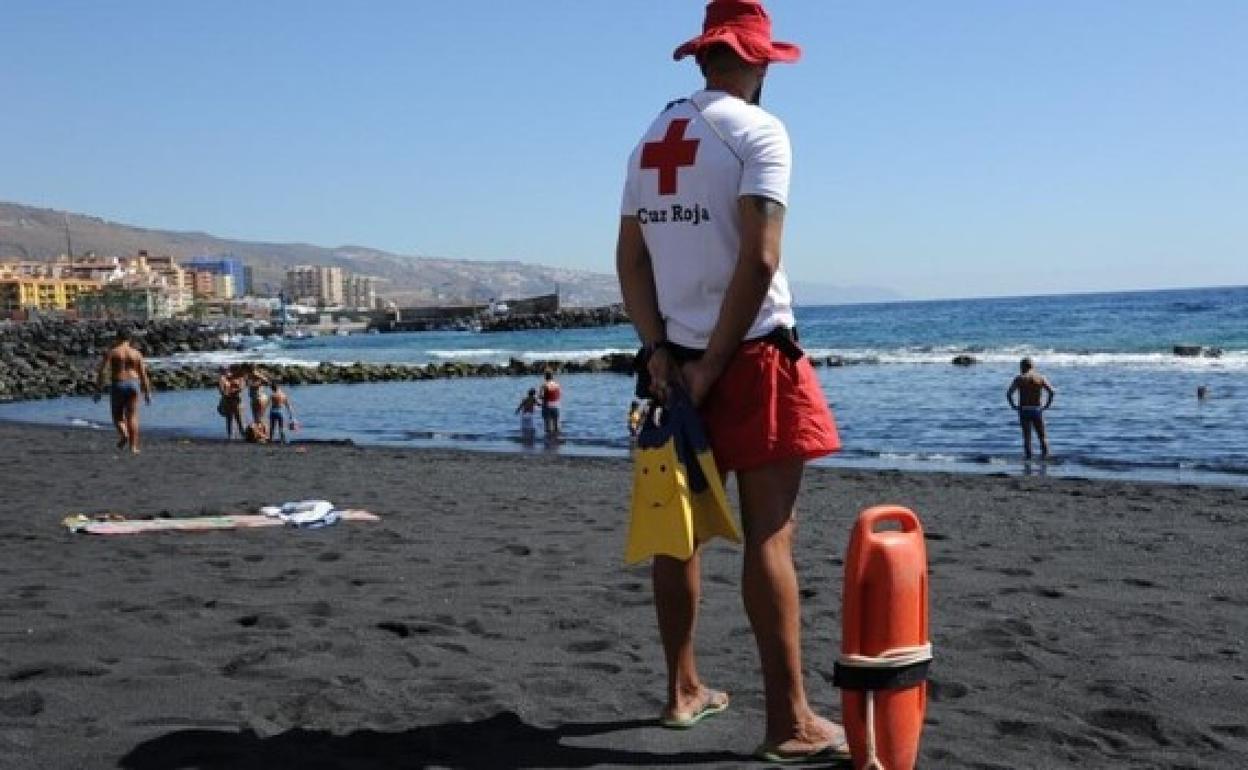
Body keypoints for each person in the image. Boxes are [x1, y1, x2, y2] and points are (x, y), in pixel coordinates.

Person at [614, 1, 846, 761]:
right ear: (755, 59)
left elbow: (630, 260)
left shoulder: (651, 138)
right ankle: (790, 724)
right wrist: (716, 362)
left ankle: (682, 690)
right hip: (749, 354)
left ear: (703, 56)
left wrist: (658, 350)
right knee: (770, 535)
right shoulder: (759, 131)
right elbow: (761, 257)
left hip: (672, 363)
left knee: (677, 534)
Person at [95, 327, 153, 454]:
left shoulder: (112, 352)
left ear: (117, 338)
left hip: (118, 383)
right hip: (134, 384)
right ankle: (133, 447)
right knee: (132, 416)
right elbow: (143, 374)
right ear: (130, 339)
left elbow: (103, 372)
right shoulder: (136, 353)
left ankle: (124, 434)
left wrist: (98, 389)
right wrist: (147, 393)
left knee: (117, 415)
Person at [1007, 357, 1056, 459]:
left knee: (1027, 437)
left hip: (1024, 409)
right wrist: (1047, 405)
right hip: (1037, 409)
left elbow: (1009, 393)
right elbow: (1052, 392)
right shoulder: (1040, 378)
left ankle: (1028, 458)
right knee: (1042, 436)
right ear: (1032, 366)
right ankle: (1046, 457)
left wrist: (1013, 406)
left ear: (1022, 367)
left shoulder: (1020, 378)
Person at [217, 366, 245, 440]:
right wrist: (229, 393)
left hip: (235, 400)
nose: (227, 371)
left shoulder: (239, 377)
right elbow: (221, 391)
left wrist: (233, 391)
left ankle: (242, 435)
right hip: (228, 400)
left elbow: (241, 388)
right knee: (230, 418)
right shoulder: (222, 378)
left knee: (239, 419)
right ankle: (231, 436)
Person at [539, 370, 562, 438]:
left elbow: (541, 396)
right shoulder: (557, 384)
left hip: (547, 406)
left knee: (548, 425)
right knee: (556, 425)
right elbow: (559, 395)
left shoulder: (544, 385)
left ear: (545, 376)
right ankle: (557, 439)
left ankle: (549, 440)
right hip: (556, 406)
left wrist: (540, 397)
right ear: (552, 376)